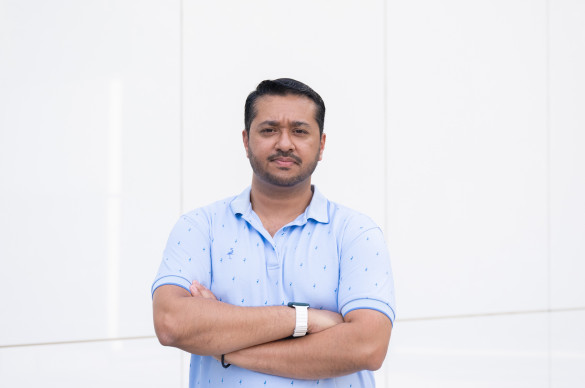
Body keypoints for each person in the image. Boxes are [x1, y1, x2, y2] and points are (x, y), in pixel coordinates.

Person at [152, 78, 396, 387]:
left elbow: (367, 347)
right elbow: (171, 323)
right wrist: (307, 320)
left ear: (321, 145)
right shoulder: (200, 228)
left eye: (299, 131)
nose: (284, 143)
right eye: (269, 130)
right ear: (245, 141)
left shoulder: (356, 233)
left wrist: (225, 349)